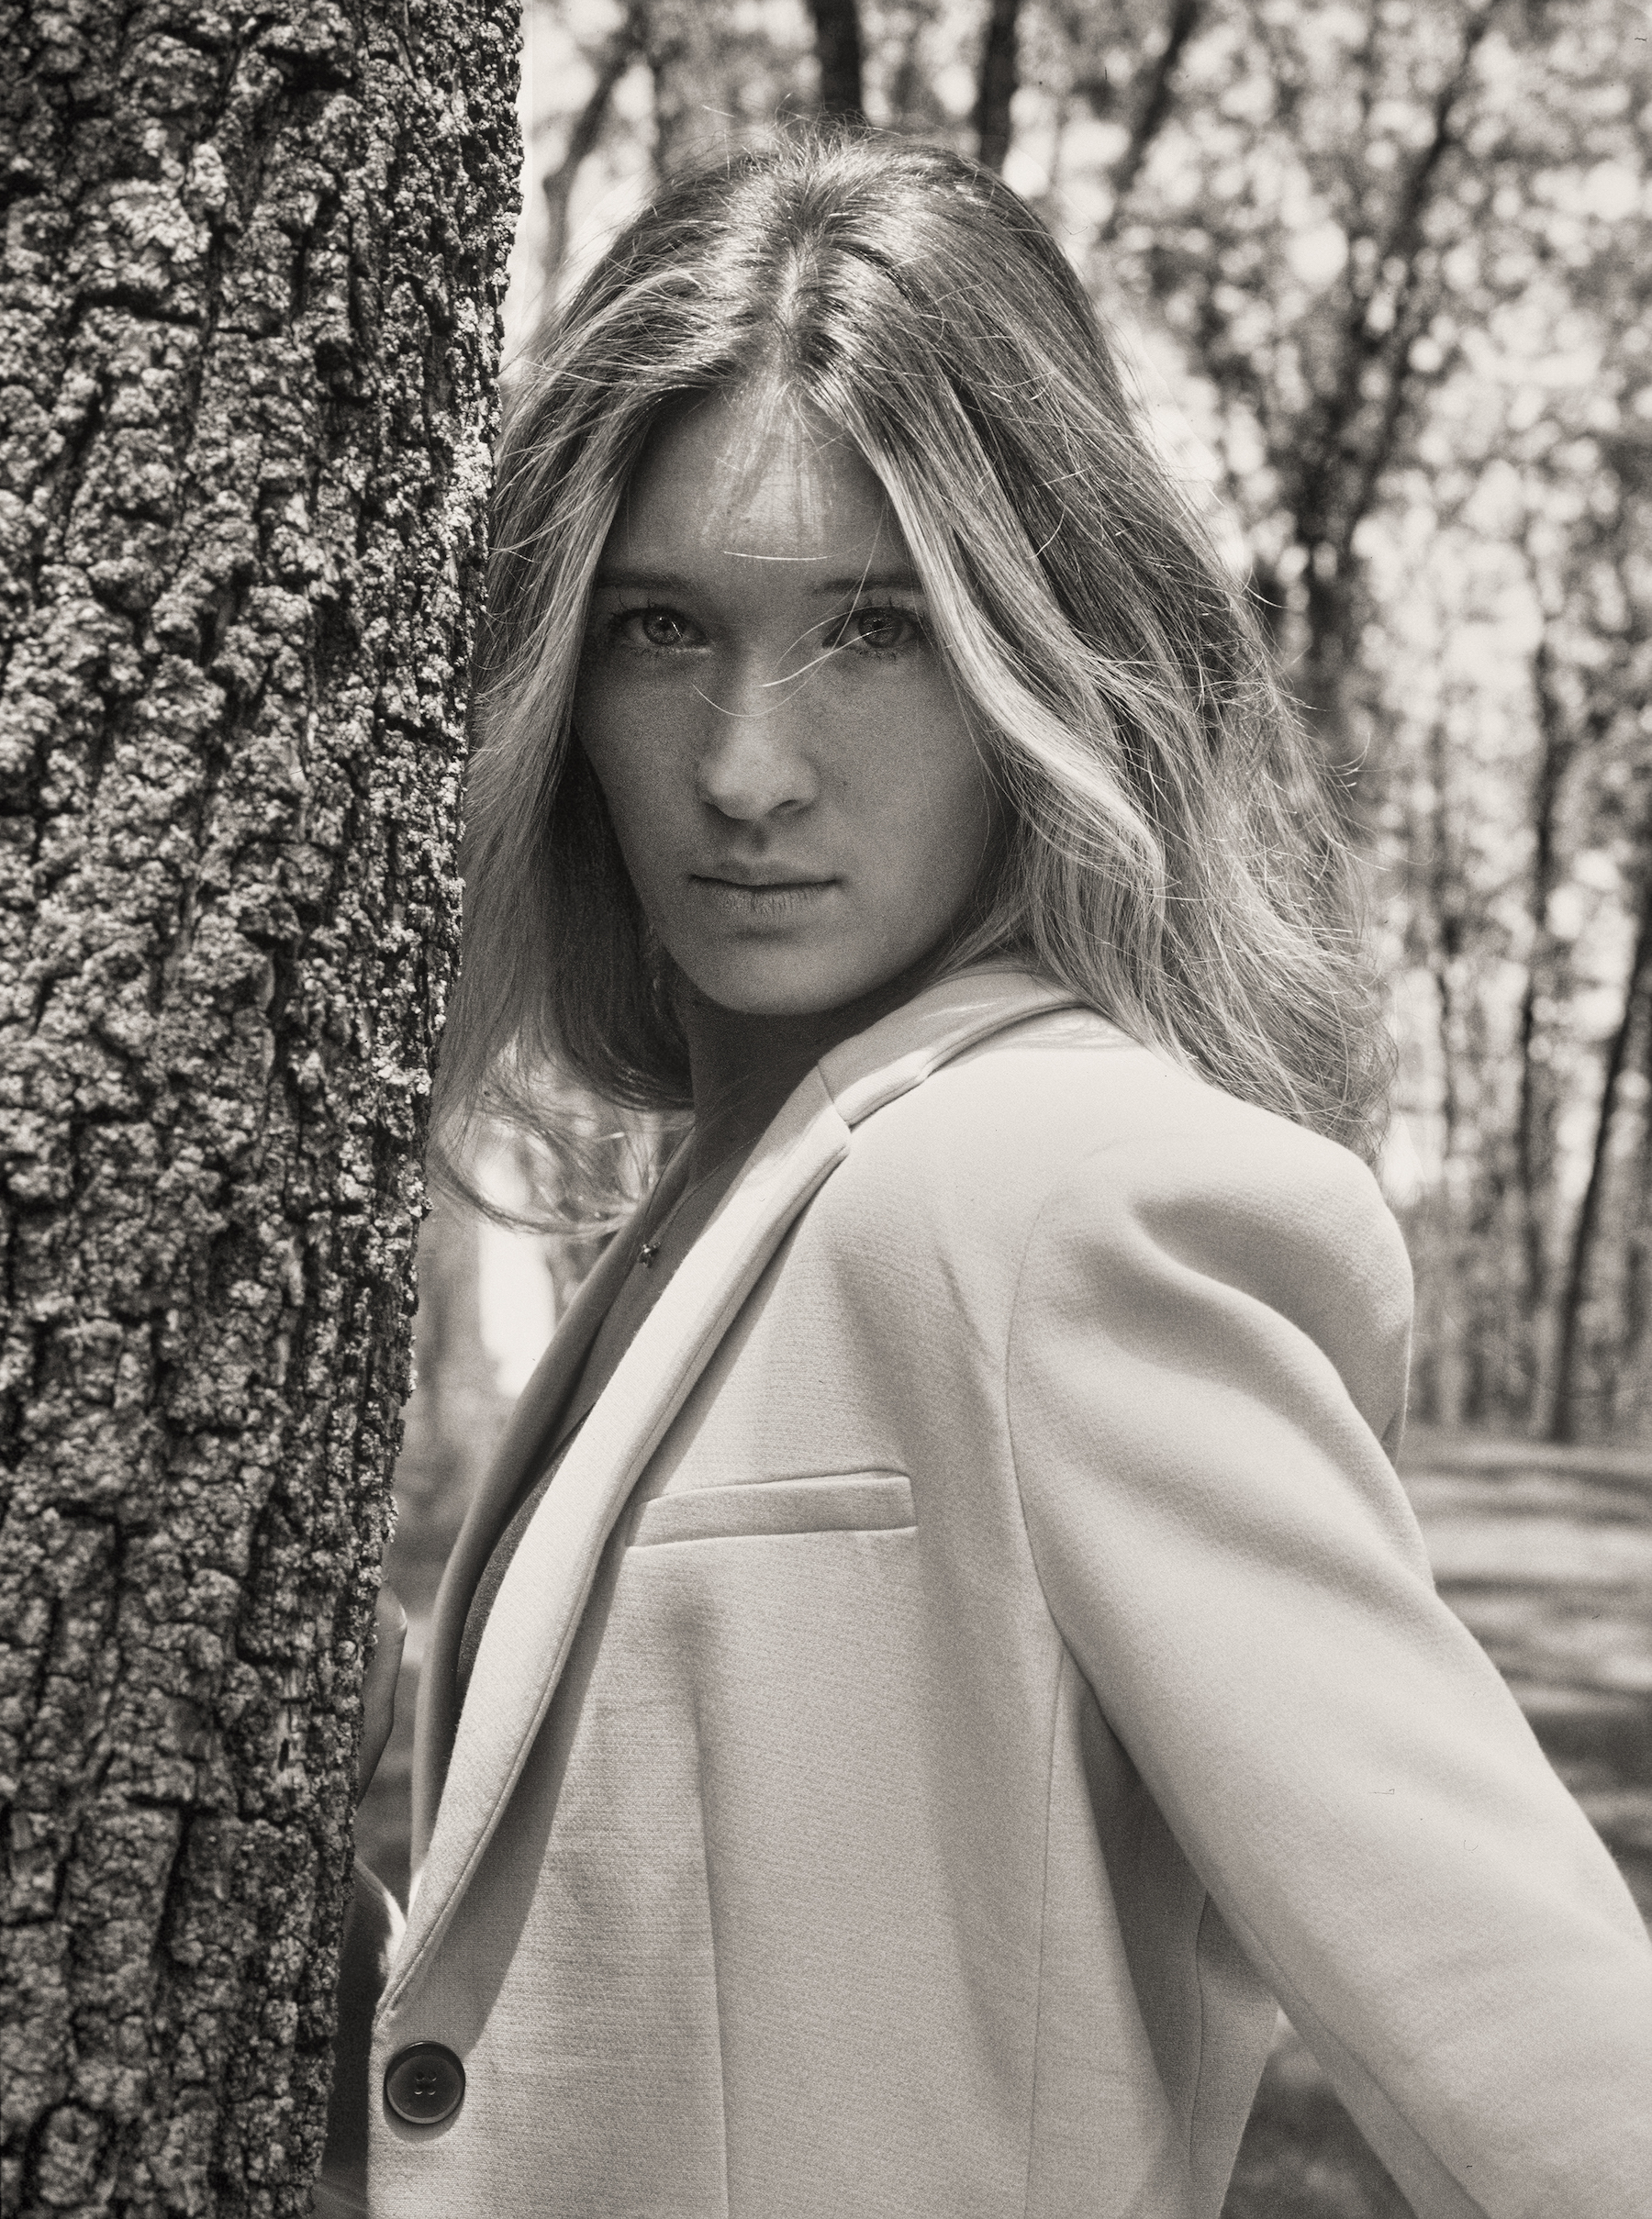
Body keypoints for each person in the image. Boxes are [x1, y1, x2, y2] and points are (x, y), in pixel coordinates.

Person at [326, 128, 1651, 2219]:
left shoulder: (1064, 1196)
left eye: (875, 629)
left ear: (1046, 644)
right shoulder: (717, 1214)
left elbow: (1559, 2071)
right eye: (663, 628)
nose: (746, 769)